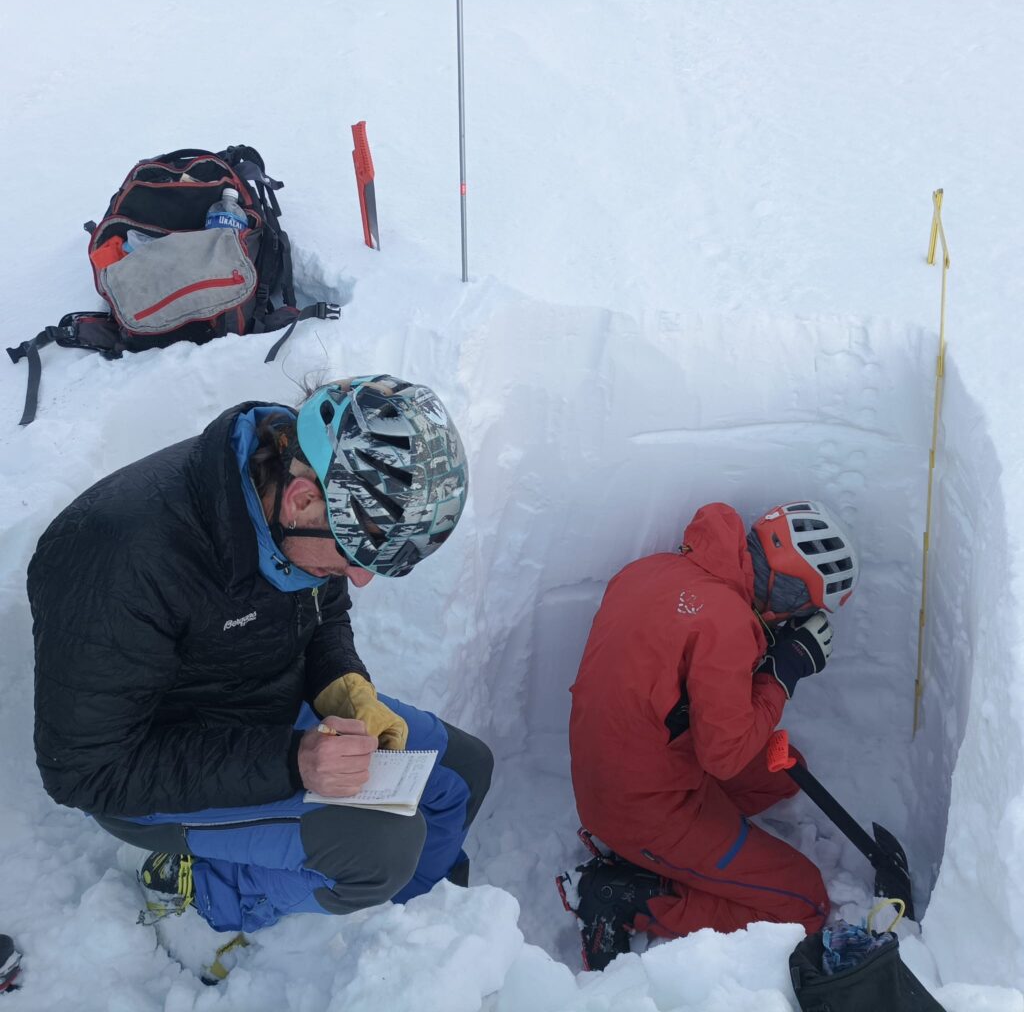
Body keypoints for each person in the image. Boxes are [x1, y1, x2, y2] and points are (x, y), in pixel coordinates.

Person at [28, 374, 492, 946]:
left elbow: (324, 614)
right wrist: (294, 761)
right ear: (302, 500)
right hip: (160, 771)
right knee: (383, 847)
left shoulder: (297, 507)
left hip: (267, 713)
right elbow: (85, 769)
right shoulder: (116, 560)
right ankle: (214, 894)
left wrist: (345, 687)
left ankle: (410, 929)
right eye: (356, 555)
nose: (364, 578)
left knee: (464, 770)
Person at [562, 500, 858, 970]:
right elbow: (725, 757)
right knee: (806, 905)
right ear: (786, 596)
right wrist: (784, 674)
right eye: (801, 610)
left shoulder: (653, 569)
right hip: (643, 809)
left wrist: (763, 653)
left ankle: (657, 854)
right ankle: (629, 897)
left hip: (619, 772)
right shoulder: (729, 624)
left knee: (782, 773)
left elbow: (687, 684)